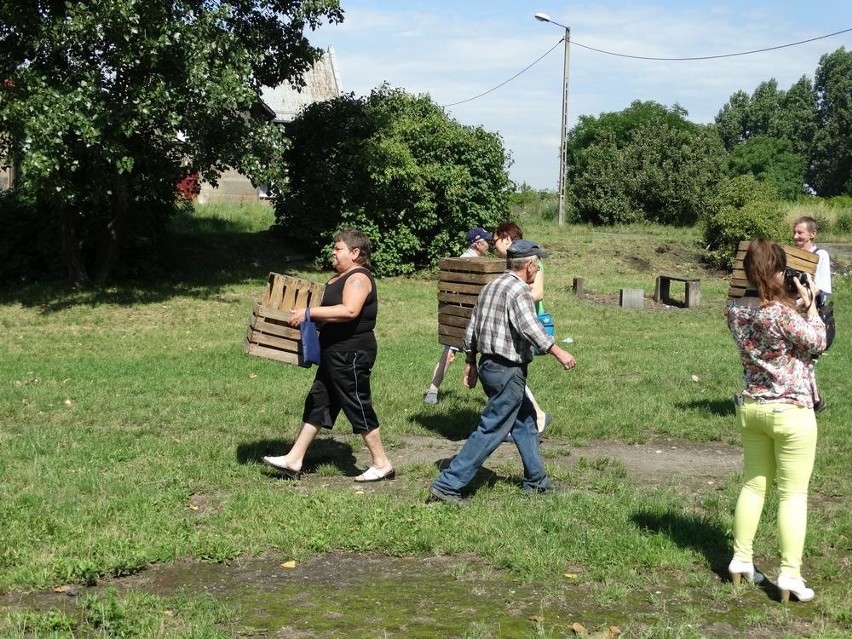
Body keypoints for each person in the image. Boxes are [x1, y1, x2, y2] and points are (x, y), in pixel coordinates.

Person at [428, 240, 577, 503]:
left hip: (489, 366)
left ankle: (537, 481)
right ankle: (448, 484)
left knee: (526, 422)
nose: (538, 268)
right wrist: (558, 351)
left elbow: (472, 327)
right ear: (529, 266)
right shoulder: (519, 291)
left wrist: (471, 362)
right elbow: (530, 327)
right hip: (507, 370)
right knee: (492, 429)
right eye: (537, 264)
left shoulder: (491, 285)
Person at [726, 238, 825, 603]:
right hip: (791, 411)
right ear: (778, 271)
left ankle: (740, 560)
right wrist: (810, 307)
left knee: (754, 485)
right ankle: (790, 575)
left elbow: (770, 324)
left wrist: (794, 305)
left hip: (752, 408)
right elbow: (816, 340)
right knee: (793, 494)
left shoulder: (735, 309)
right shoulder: (782, 314)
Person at [262, 229, 394, 483]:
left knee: (357, 403)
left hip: (351, 352)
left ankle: (382, 463)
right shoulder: (340, 277)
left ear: (355, 253)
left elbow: (350, 310)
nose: (333, 253)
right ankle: (294, 459)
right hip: (334, 350)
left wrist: (310, 313)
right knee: (319, 402)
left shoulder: (358, 278)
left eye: (338, 249)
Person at [492, 222, 551, 435]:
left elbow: (538, 293)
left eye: (495, 241)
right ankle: (524, 422)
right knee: (510, 375)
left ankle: (536, 416)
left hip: (524, 324)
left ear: (507, 238)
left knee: (512, 375)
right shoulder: (509, 264)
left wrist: (513, 293)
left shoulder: (532, 262)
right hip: (509, 324)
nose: (494, 246)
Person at [424, 227, 493, 405]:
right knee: (451, 353)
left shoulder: (475, 261)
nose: (489, 244)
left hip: (465, 316)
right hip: (463, 317)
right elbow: (455, 291)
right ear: (478, 244)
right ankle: (432, 390)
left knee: (449, 354)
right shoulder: (466, 262)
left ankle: (433, 391)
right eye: (486, 241)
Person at [793, 216, 832, 412]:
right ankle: (815, 401)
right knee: (801, 359)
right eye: (795, 232)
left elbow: (819, 288)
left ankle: (813, 402)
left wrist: (798, 302)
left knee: (805, 360)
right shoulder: (792, 255)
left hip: (812, 313)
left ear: (812, 234)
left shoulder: (821, 255)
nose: (796, 236)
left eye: (800, 233)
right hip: (794, 313)